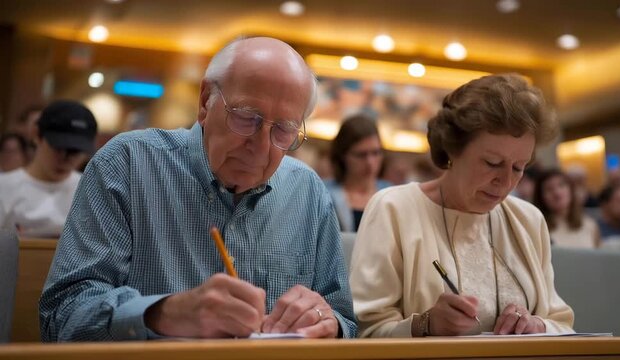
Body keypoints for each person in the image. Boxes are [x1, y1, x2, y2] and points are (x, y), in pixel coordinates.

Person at [40, 37, 357, 342]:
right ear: (206, 101)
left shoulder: (307, 192)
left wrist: (326, 323)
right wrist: (163, 314)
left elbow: (344, 321)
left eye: (284, 130)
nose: (261, 149)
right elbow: (61, 318)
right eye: (247, 118)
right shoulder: (128, 165)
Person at [350, 74, 574, 338]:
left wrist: (538, 326)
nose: (505, 182)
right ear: (452, 149)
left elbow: (561, 325)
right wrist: (426, 325)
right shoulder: (394, 209)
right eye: (492, 163)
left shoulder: (528, 220)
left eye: (518, 168)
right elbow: (363, 330)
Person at [0, 100, 97, 238]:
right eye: (58, 148)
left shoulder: (90, 190)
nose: (65, 159)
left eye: (75, 151)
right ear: (36, 135)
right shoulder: (5, 187)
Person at [325, 114, 390, 231]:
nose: (370, 162)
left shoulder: (391, 195)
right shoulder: (324, 195)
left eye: (376, 153)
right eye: (361, 155)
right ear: (343, 156)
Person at [532, 169, 600, 248]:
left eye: (561, 185)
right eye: (549, 189)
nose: (557, 193)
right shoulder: (537, 228)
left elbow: (598, 257)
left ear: (571, 190)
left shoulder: (590, 225)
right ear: (541, 197)